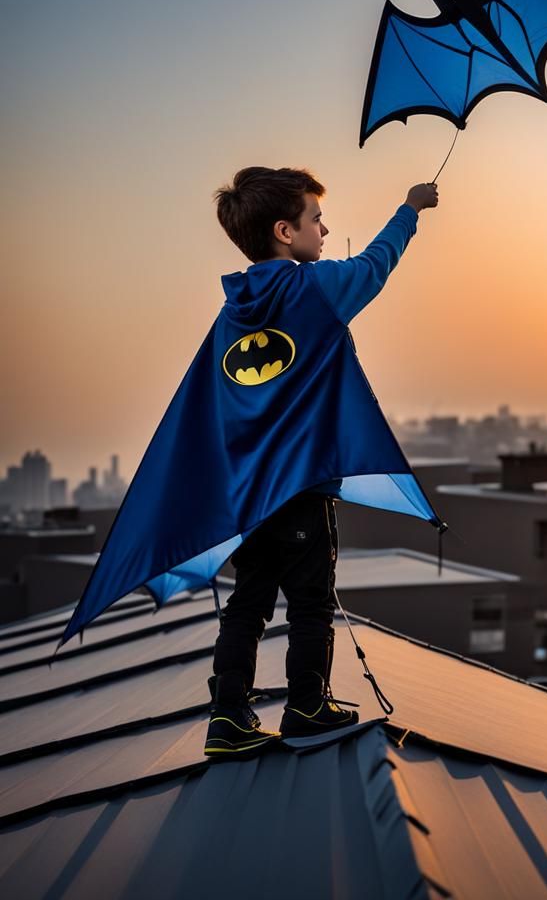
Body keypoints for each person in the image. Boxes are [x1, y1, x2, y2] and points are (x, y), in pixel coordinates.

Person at [202, 166, 438, 759]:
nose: (325, 230)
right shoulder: (312, 288)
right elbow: (375, 266)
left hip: (250, 490)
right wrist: (410, 208)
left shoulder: (231, 315)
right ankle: (307, 705)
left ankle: (227, 719)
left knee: (248, 601)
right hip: (301, 482)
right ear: (284, 231)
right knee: (311, 598)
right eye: (315, 218)